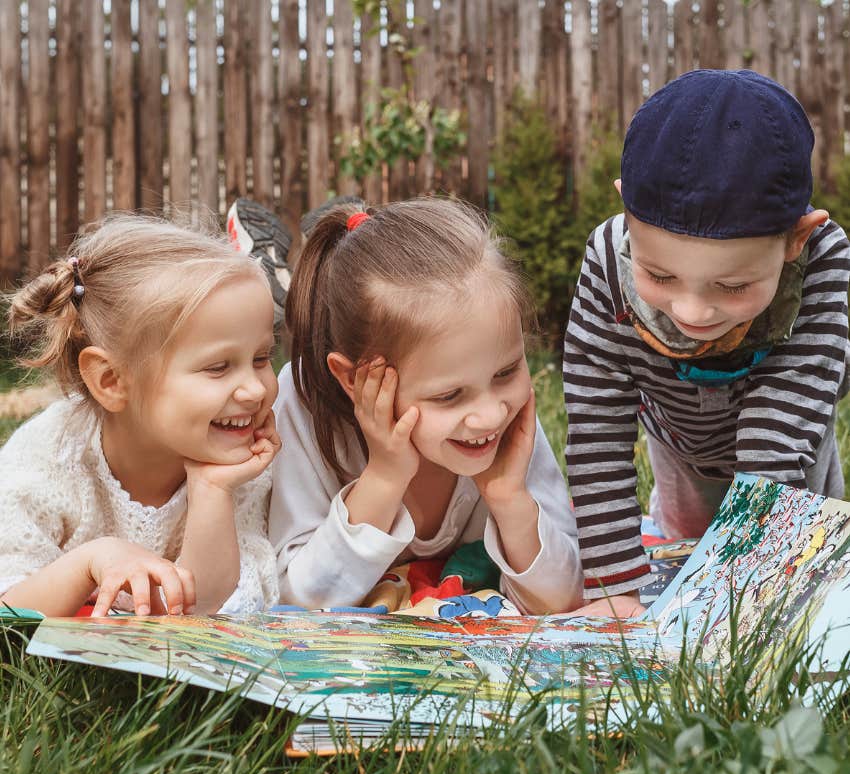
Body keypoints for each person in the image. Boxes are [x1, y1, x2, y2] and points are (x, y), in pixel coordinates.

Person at [563, 69, 850, 599]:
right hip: (677, 435)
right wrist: (613, 591)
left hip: (789, 447)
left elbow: (777, 438)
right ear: (627, 211)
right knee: (682, 548)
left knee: (801, 584)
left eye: (733, 285)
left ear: (795, 240)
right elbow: (597, 429)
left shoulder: (823, 259)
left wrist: (744, 599)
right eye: (660, 276)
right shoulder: (606, 259)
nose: (692, 312)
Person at [267, 197, 585, 614]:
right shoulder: (304, 404)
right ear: (352, 379)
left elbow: (563, 599)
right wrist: (382, 478)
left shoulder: (506, 418)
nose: (490, 414)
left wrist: (509, 497)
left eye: (506, 372)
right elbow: (298, 601)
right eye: (449, 396)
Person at [0, 215, 282, 617]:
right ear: (112, 380)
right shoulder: (47, 460)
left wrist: (211, 491)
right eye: (218, 367)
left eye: (261, 358)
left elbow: (205, 608)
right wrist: (89, 563)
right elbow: (8, 611)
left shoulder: (240, 468)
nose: (255, 390)